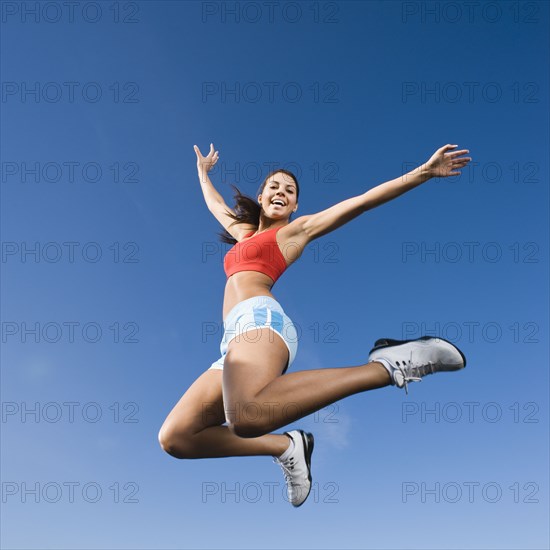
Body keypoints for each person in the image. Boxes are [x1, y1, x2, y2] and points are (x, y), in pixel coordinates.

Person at [158, 142, 472, 507]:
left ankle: (386, 366)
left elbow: (363, 201)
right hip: (232, 342)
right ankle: (286, 446)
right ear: (261, 196)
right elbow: (215, 205)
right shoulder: (245, 233)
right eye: (274, 187)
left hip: (262, 322)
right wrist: (202, 173)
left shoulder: (295, 232)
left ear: (294, 207)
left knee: (245, 417)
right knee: (176, 437)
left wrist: (424, 171)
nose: (281, 192)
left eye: (289, 191)